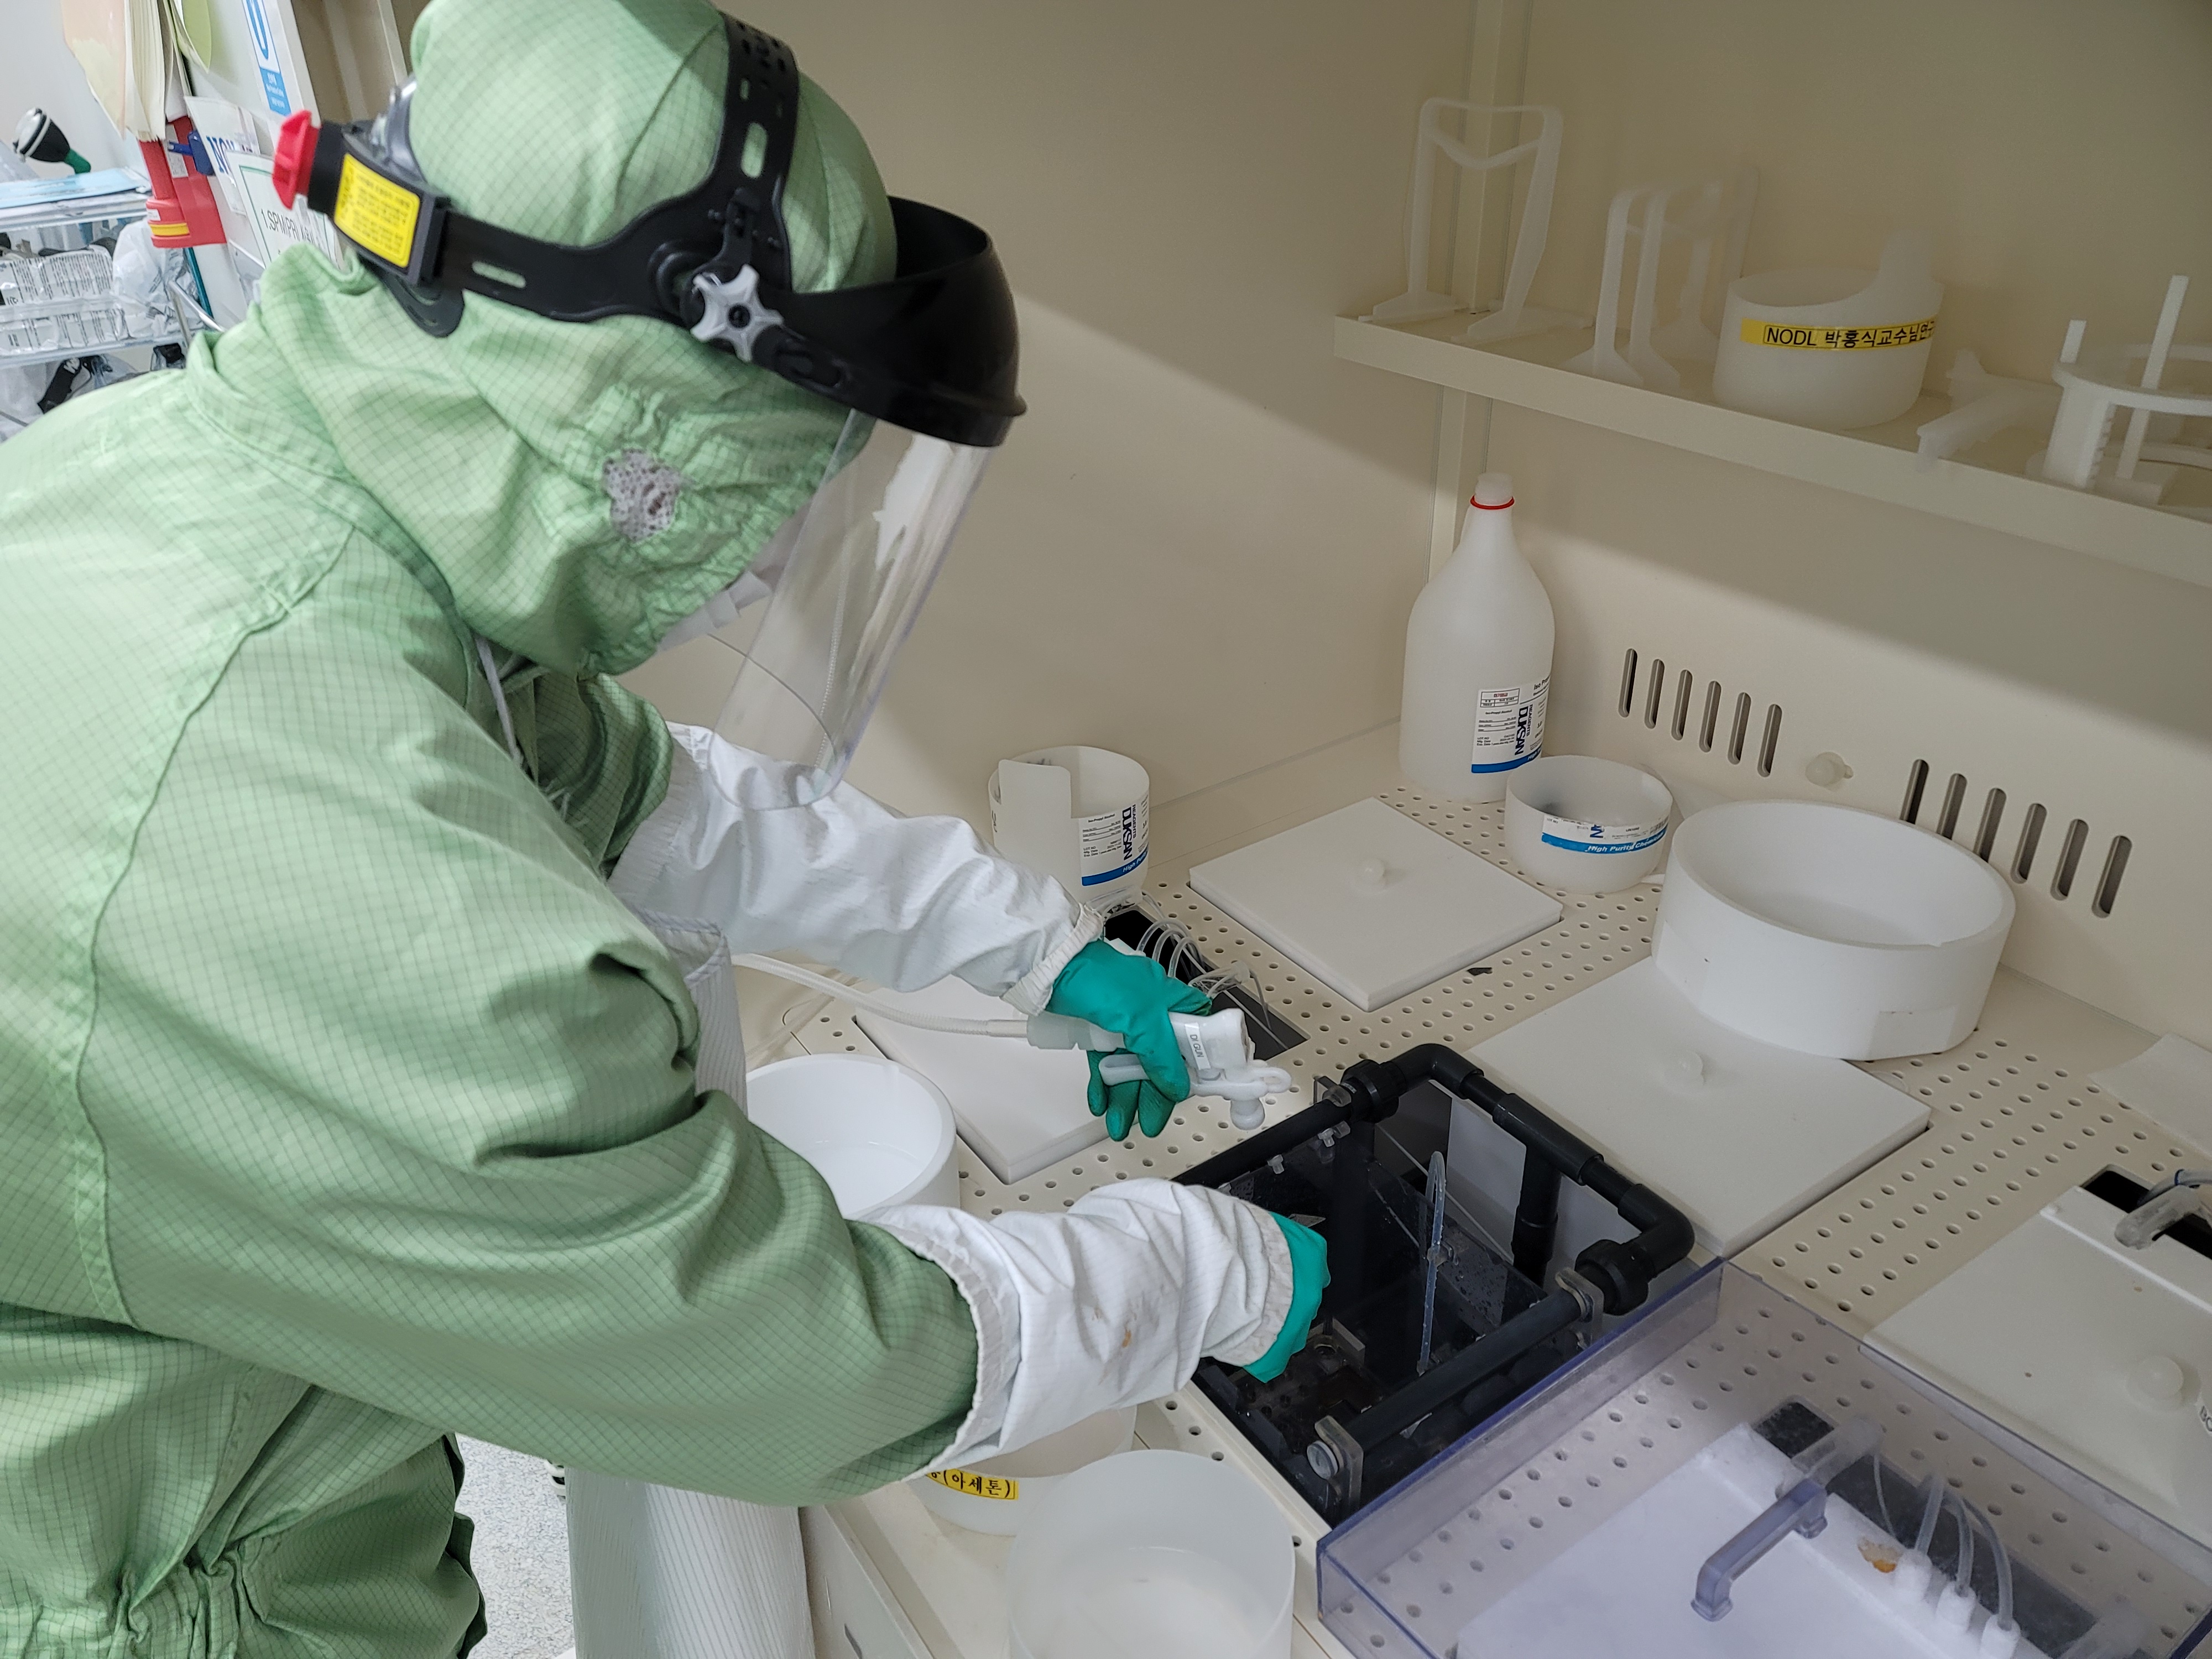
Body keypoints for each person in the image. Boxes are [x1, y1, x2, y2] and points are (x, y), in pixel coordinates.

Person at [0, 0, 1327, 1653]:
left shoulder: (252, 502)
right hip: (139, 1593)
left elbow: (644, 796)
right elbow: (795, 1357)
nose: (763, 565)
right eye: (765, 490)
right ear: (620, 416)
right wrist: (1201, 1271)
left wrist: (1039, 948)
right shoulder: (313, 826)